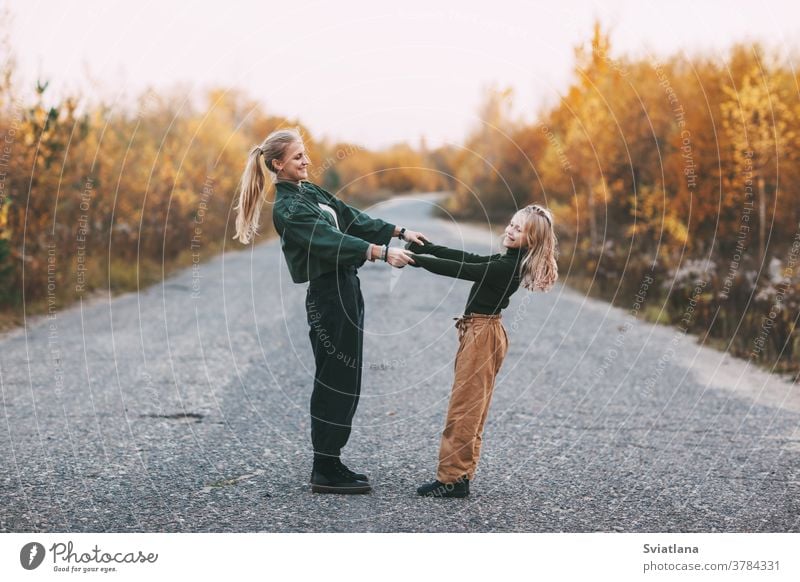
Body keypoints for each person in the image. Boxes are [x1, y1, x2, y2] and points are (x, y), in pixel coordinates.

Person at [233, 128, 428, 494]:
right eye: (297, 157)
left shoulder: (310, 192)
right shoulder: (289, 207)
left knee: (348, 377)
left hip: (347, 288)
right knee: (334, 377)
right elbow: (330, 240)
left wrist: (400, 231)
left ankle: (333, 460)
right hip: (327, 295)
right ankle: (324, 468)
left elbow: (350, 218)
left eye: (305, 154)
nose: (306, 161)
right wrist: (382, 253)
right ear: (277, 165)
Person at [406, 204, 558, 498]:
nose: (510, 230)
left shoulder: (507, 267)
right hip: (482, 331)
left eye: (519, 229)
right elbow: (468, 258)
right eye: (511, 224)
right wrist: (430, 248)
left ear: (532, 240)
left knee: (465, 407)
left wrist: (416, 260)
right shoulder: (508, 260)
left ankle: (452, 479)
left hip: (483, 335)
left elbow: (465, 270)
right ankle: (459, 474)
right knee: (472, 404)